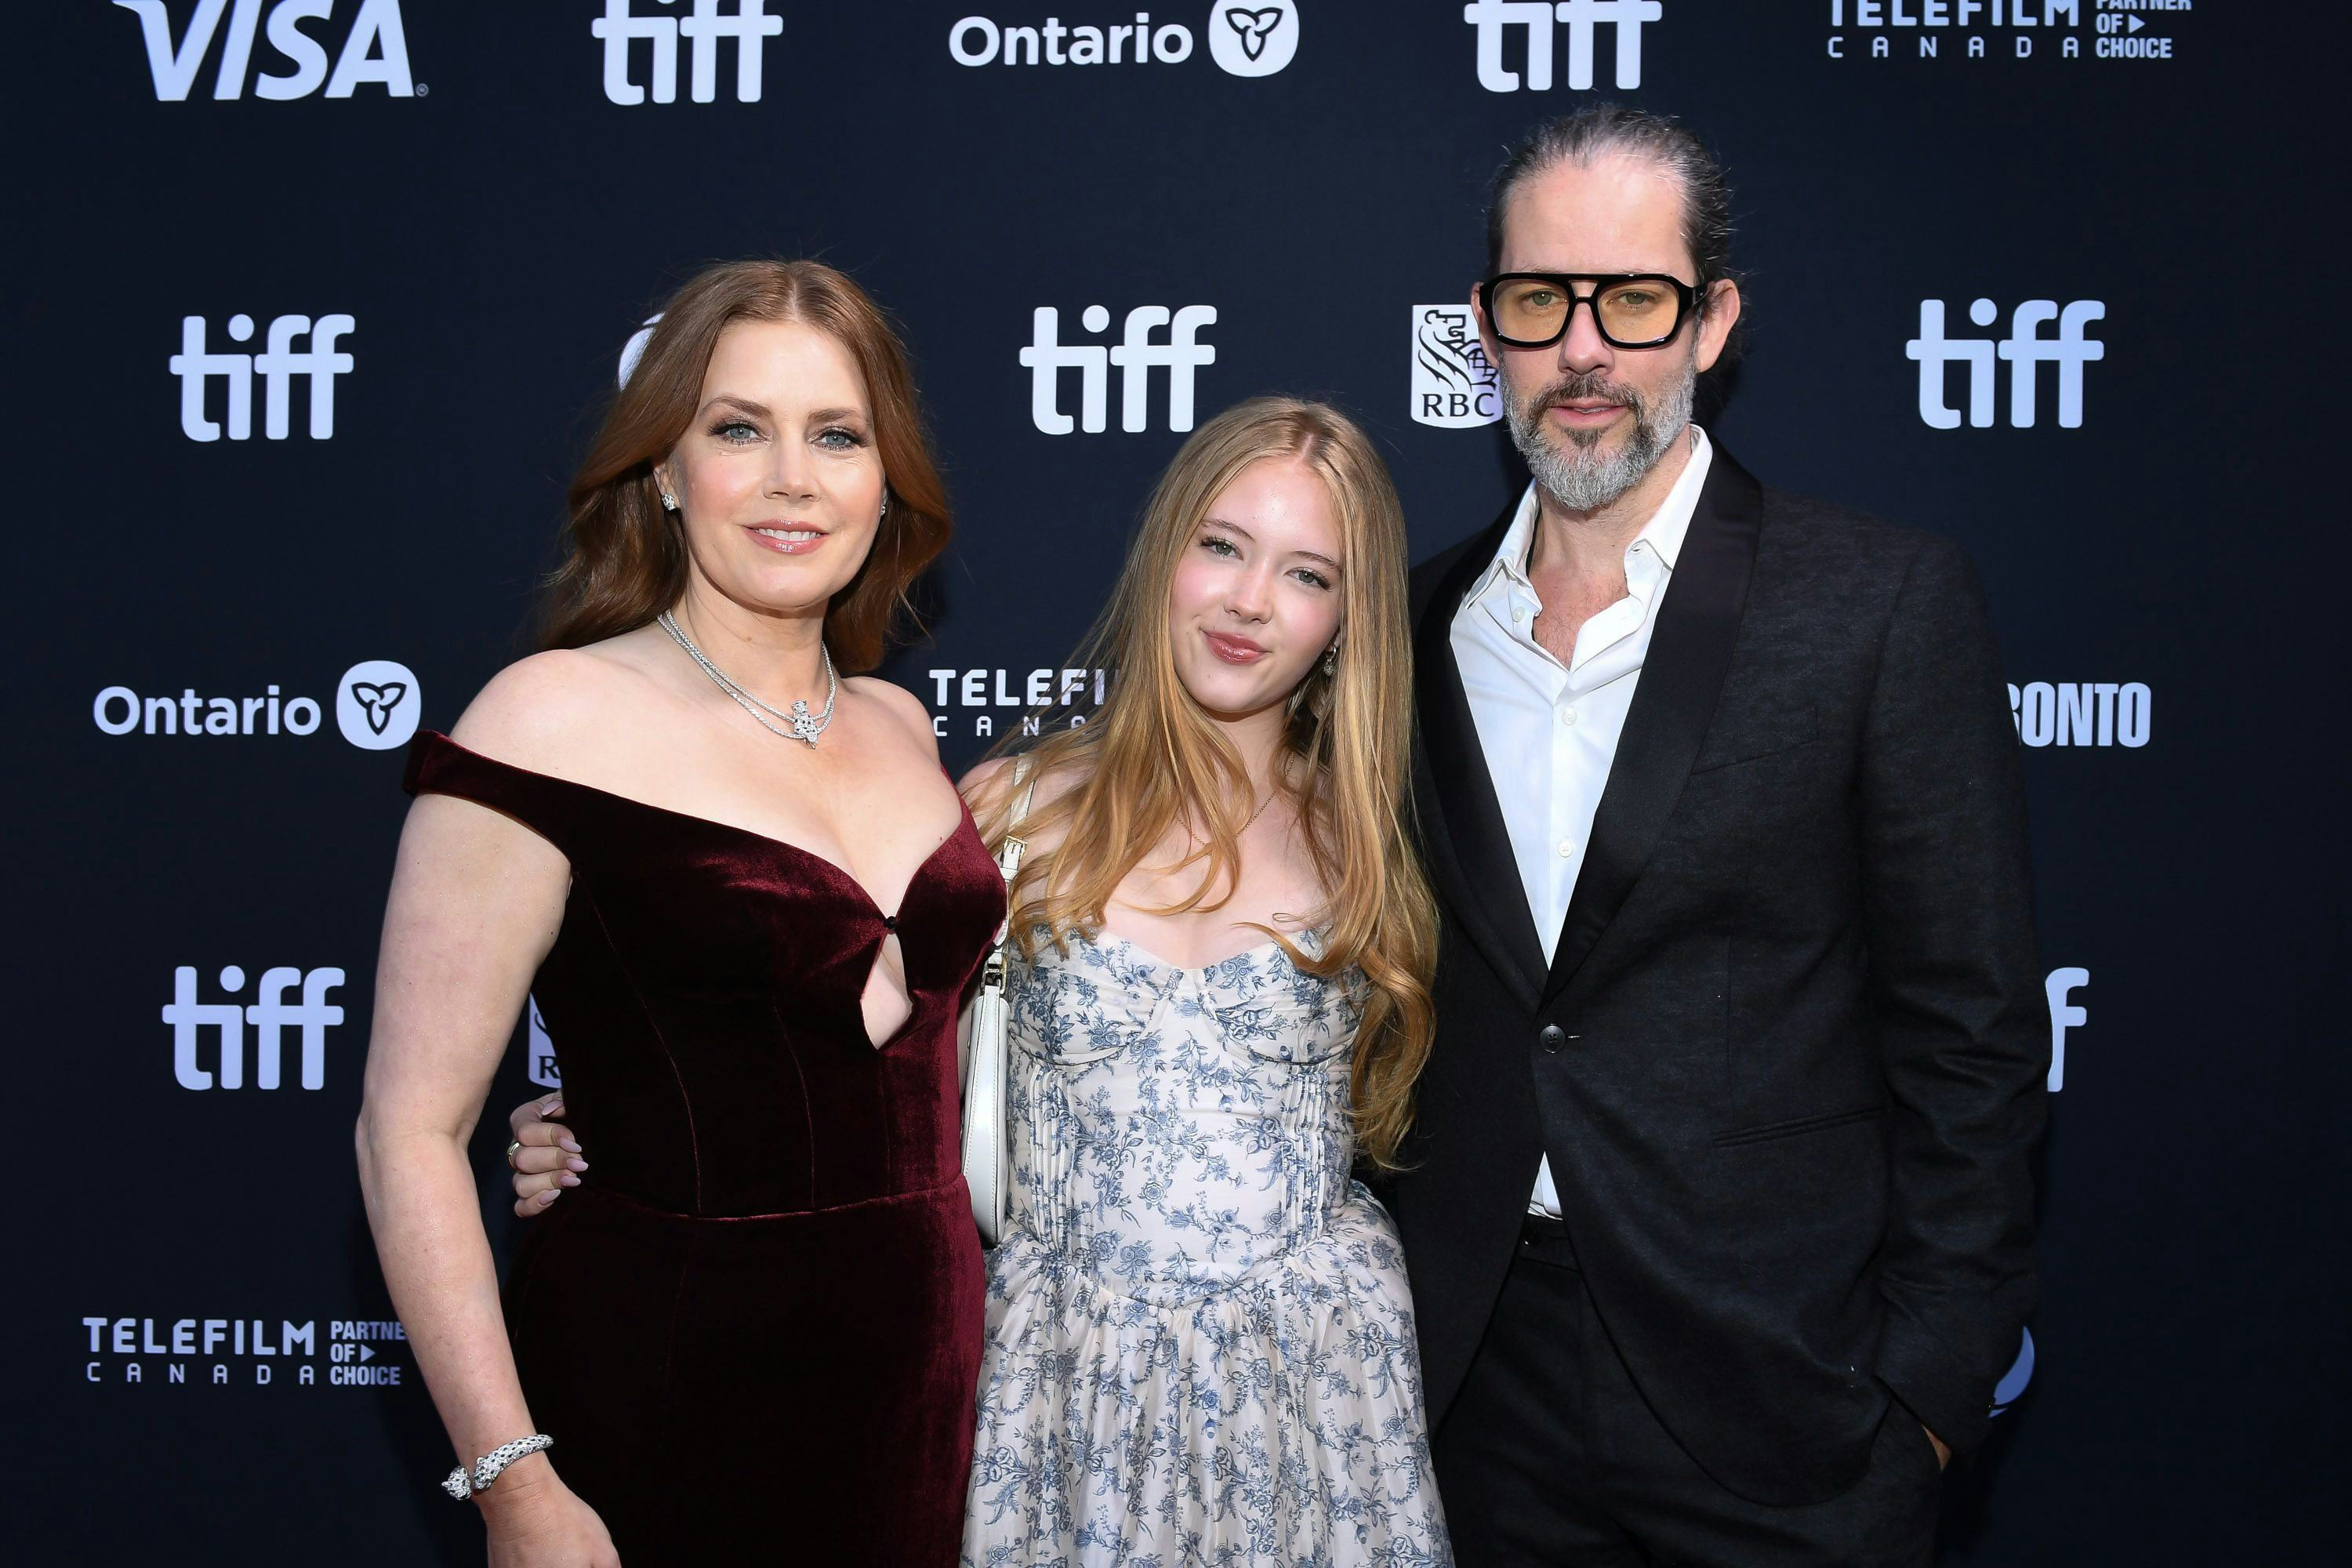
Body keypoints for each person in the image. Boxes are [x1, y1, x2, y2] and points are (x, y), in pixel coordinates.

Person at [512, 397, 1456, 1566]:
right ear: (1167, 553)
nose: (1250, 601)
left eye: (1306, 573)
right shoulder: (1010, 813)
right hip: (1062, 1382)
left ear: (1350, 617)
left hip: (1311, 1388)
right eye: (1221, 546)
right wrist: (617, 1127)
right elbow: (855, 1081)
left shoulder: (1380, 843)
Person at [1391, 106, 2049, 1567]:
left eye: (1633, 299)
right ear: (1484, 327)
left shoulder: (1878, 606)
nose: (1583, 351)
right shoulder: (1409, 625)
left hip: (1787, 1404)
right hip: (1469, 1398)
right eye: (1536, 299)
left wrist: (1926, 1397)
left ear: (1713, 321)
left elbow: (1975, 1035)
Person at [354, 259, 1002, 1567]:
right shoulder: (548, 718)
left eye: (837, 435)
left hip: (921, 1398)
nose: (791, 479)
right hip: (663, 1390)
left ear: (886, 479)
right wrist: (513, 1487)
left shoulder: (900, 724)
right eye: (737, 429)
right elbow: (408, 1131)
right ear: (663, 467)